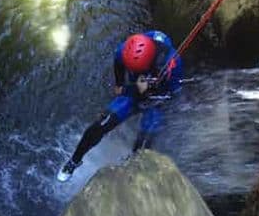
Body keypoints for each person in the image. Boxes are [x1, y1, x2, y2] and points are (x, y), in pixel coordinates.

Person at [57, 30, 183, 181]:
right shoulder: (126, 50)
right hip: (134, 92)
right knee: (100, 125)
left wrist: (150, 89)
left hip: (156, 101)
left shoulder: (172, 64)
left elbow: (173, 96)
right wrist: (120, 84)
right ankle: (74, 161)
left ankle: (132, 168)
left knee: (143, 144)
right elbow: (118, 62)